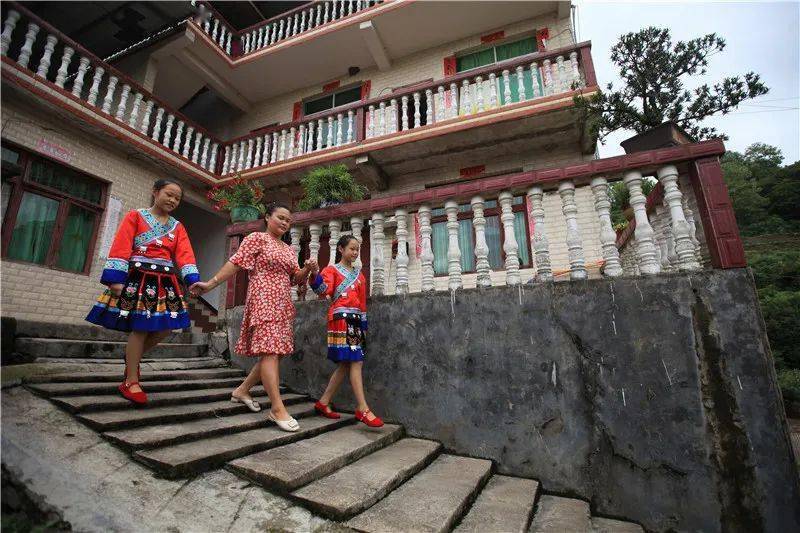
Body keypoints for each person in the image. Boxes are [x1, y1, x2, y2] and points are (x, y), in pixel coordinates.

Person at [189, 202, 318, 432]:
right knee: (269, 352)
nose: (285, 223)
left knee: (275, 354)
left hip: (282, 303)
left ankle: (241, 391)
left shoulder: (288, 249)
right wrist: (210, 284)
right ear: (267, 217)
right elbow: (235, 263)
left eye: (288, 221)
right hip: (262, 299)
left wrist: (307, 269)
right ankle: (277, 408)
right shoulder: (256, 239)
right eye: (280, 217)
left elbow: (295, 279)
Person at [86, 179, 199, 405]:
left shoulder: (177, 227)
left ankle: (131, 359)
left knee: (168, 326)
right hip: (138, 277)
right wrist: (116, 280)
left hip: (166, 283)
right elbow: (121, 245)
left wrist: (192, 280)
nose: (172, 200)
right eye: (169, 194)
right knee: (140, 327)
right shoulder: (135, 216)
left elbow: (185, 255)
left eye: (177, 198)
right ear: (155, 191)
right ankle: (131, 381)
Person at [310, 235, 384, 428]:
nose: (355, 252)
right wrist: (315, 273)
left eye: (357, 249)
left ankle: (323, 402)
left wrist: (364, 327)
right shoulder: (332, 270)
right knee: (356, 361)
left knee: (345, 364)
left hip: (355, 322)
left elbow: (362, 304)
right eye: (352, 248)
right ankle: (362, 408)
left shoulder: (360, 276)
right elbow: (322, 291)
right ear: (341, 249)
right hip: (341, 320)